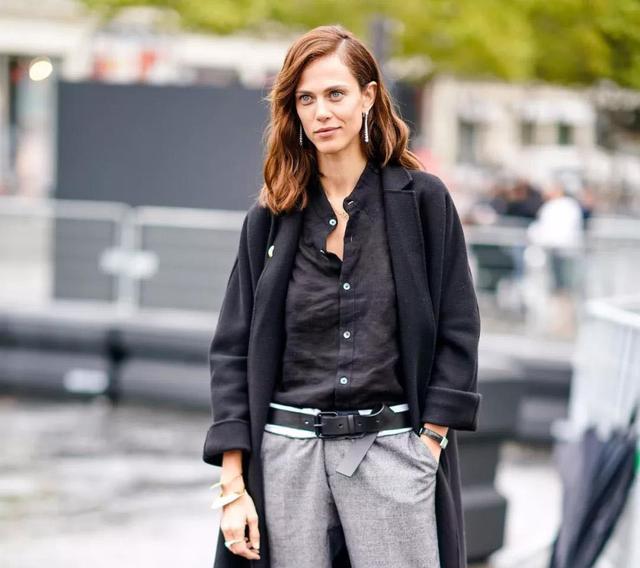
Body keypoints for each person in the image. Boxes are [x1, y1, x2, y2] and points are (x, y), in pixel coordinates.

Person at [203, 24, 482, 568]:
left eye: (336, 94)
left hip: (393, 451)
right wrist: (234, 487)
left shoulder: (422, 201)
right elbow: (232, 350)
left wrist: (428, 444)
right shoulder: (271, 216)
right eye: (306, 99)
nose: (322, 112)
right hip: (286, 457)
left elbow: (459, 329)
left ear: (368, 96)